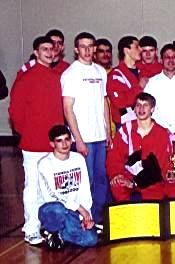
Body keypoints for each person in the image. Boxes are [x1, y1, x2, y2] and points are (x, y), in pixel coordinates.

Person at [9, 36, 64, 245]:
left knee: (51, 188)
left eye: (52, 49)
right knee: (33, 187)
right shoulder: (26, 78)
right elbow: (15, 112)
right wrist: (28, 133)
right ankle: (31, 228)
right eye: (44, 49)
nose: (50, 52)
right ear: (36, 52)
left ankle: (49, 226)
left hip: (55, 145)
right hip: (33, 145)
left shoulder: (56, 76)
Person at [61, 32, 111, 224]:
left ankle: (97, 218)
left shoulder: (100, 71)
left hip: (100, 136)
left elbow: (104, 102)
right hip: (84, 138)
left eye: (91, 46)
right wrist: (78, 140)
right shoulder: (71, 74)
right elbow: (67, 108)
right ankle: (84, 218)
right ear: (76, 49)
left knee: (101, 180)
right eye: (83, 46)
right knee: (85, 181)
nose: (88, 50)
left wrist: (107, 131)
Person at [37, 125, 97, 249]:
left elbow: (85, 190)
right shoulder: (45, 164)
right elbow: (53, 196)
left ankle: (60, 234)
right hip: (52, 209)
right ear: (52, 144)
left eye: (67, 139)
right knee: (57, 209)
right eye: (59, 141)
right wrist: (80, 209)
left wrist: (86, 217)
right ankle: (50, 229)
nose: (64, 144)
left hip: (72, 213)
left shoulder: (79, 159)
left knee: (91, 240)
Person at [106, 93, 170, 201]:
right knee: (118, 186)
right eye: (138, 105)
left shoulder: (161, 133)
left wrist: (134, 183)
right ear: (134, 109)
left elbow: (159, 168)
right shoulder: (125, 130)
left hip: (152, 179)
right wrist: (116, 175)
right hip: (128, 175)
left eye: (145, 105)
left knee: (155, 194)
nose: (141, 108)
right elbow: (114, 157)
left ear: (152, 109)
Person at [144, 44, 175, 133]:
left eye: (174, 57)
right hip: (157, 131)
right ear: (161, 60)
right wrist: (162, 128)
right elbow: (148, 109)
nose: (171, 60)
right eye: (167, 57)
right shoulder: (151, 83)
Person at [107, 36, 145, 127]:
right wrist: (139, 87)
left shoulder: (141, 72)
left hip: (144, 121)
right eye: (136, 47)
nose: (140, 49)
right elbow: (120, 102)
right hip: (125, 124)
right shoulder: (115, 75)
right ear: (126, 50)